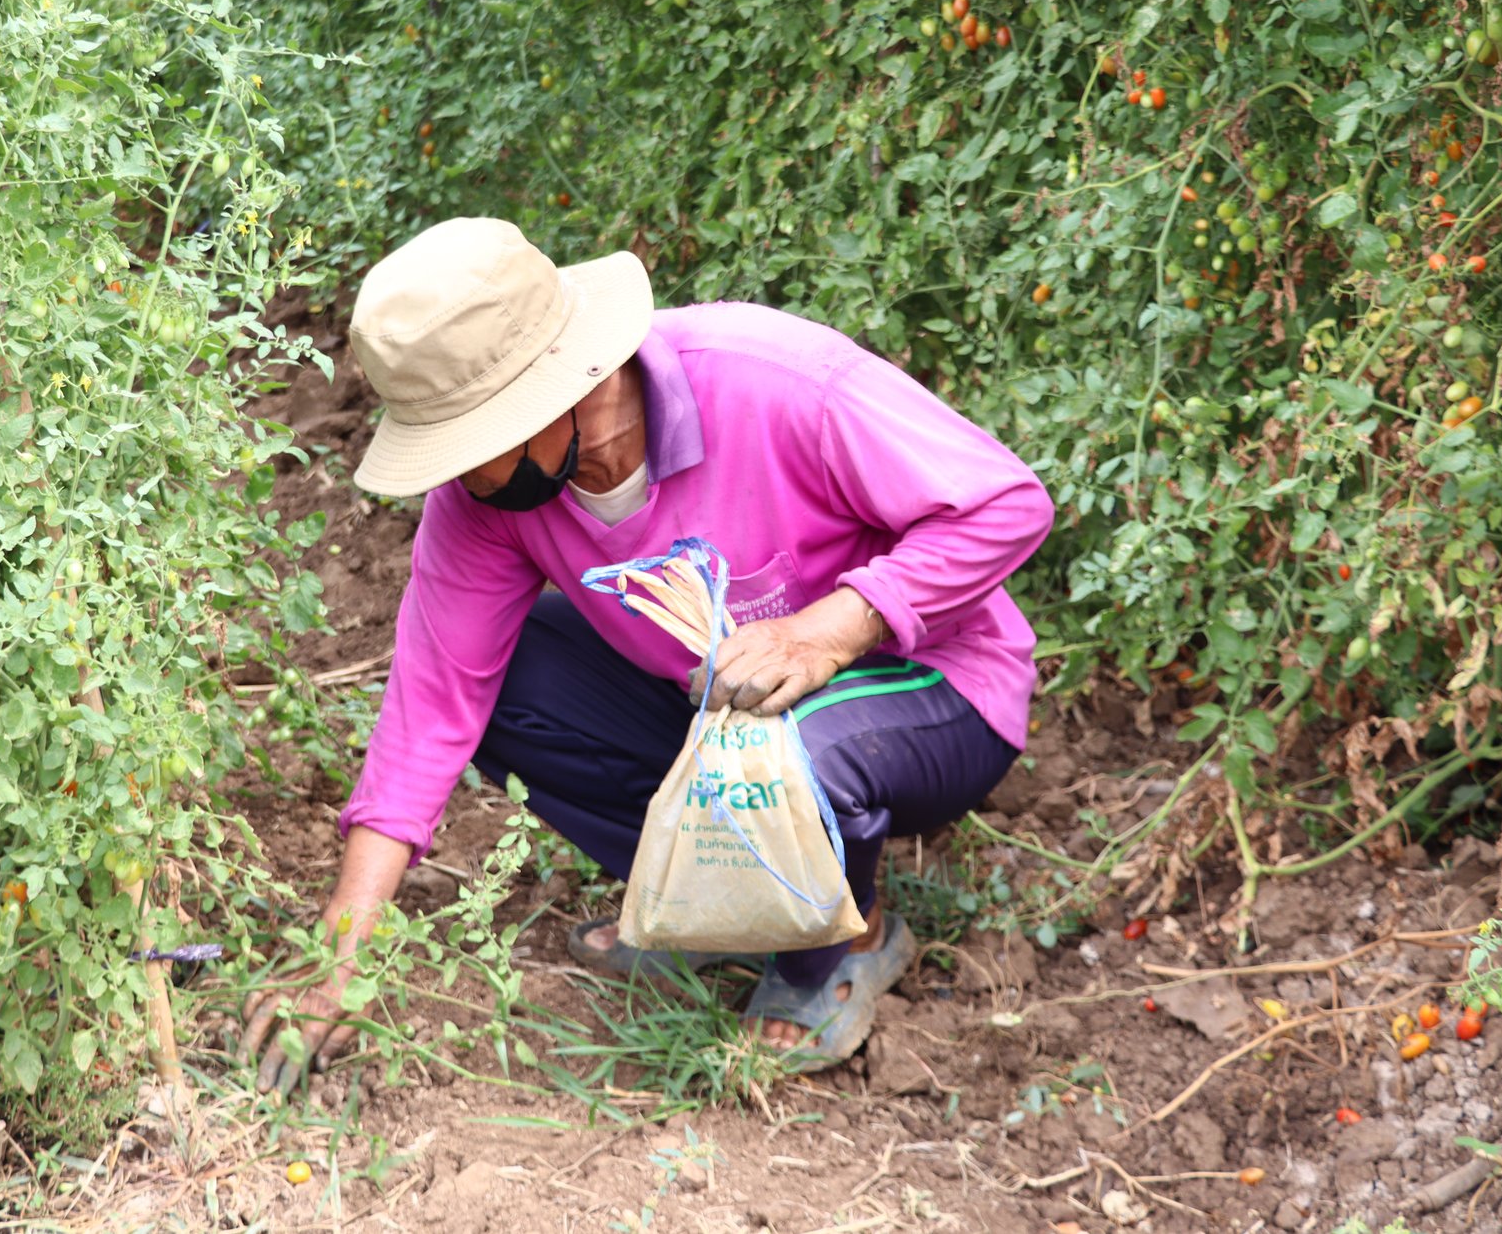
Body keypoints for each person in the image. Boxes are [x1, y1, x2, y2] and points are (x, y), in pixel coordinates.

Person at [243, 218, 1053, 1092]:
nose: (461, 476)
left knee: (790, 751)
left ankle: (844, 938)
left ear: (554, 388)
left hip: (938, 689)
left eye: (470, 442)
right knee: (510, 683)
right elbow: (430, 703)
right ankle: (721, 907)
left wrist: (826, 631)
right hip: (726, 706)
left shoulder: (775, 382)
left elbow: (1005, 503)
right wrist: (341, 955)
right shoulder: (486, 502)